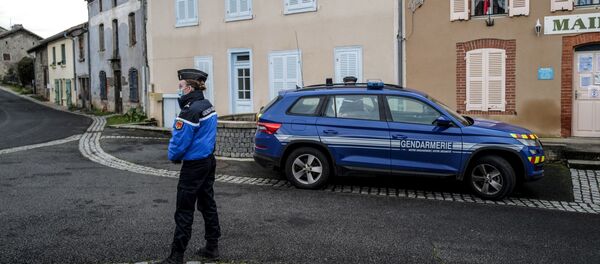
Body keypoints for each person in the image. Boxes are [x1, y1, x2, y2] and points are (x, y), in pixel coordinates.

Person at [160, 69, 220, 264]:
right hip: (208, 161)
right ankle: (212, 247)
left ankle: (176, 257)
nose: (178, 90)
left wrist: (174, 156)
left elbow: (179, 142)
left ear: (189, 87)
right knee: (207, 203)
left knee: (184, 210)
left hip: (194, 166)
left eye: (180, 86)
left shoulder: (189, 110)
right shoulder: (207, 105)